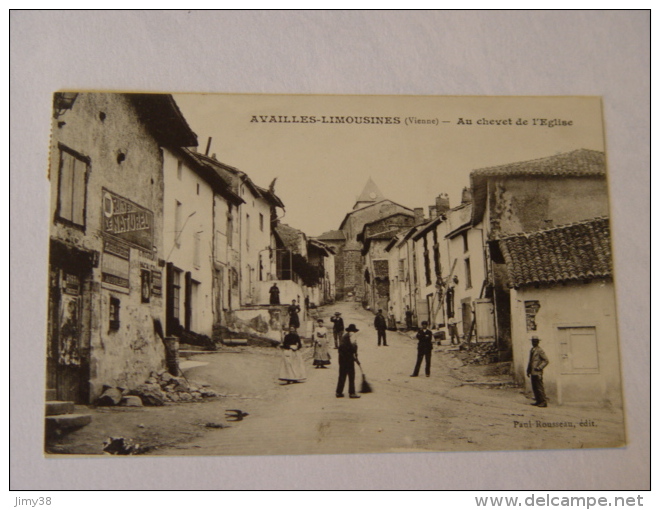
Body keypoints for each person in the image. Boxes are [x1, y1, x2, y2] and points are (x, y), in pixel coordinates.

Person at [336, 324, 361, 398]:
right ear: (352, 331)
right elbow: (353, 347)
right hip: (348, 358)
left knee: (342, 375)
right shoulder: (352, 335)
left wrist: (355, 356)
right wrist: (355, 355)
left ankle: (339, 392)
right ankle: (352, 393)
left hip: (342, 358)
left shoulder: (344, 336)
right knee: (351, 375)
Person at [527, 336, 549, 407]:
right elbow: (530, 362)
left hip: (538, 372)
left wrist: (539, 367)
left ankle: (543, 402)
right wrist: (528, 370)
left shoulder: (540, 350)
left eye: (535, 341)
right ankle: (538, 401)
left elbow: (546, 360)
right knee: (535, 387)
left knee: (539, 387)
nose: (534, 343)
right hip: (533, 372)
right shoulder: (532, 350)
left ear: (538, 342)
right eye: (533, 341)